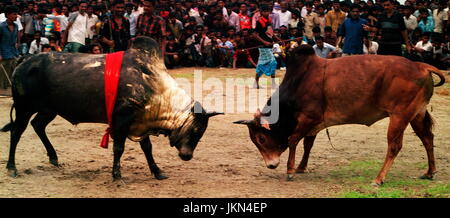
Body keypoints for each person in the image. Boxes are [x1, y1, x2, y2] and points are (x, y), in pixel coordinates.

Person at [253, 5, 278, 89]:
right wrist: (264, 42)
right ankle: (273, 83)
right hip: (263, 47)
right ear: (261, 12)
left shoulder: (269, 20)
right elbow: (255, 34)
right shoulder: (259, 22)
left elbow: (270, 33)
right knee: (273, 62)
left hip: (269, 46)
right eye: (265, 11)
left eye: (268, 11)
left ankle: (255, 83)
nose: (266, 13)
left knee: (261, 64)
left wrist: (278, 39)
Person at [0, 5, 20, 94]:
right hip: (4, 54)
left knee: (13, 74)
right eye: (14, 14)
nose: (16, 16)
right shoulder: (1, 27)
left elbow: (15, 39)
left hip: (13, 53)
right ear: (8, 15)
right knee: (3, 76)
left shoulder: (16, 26)